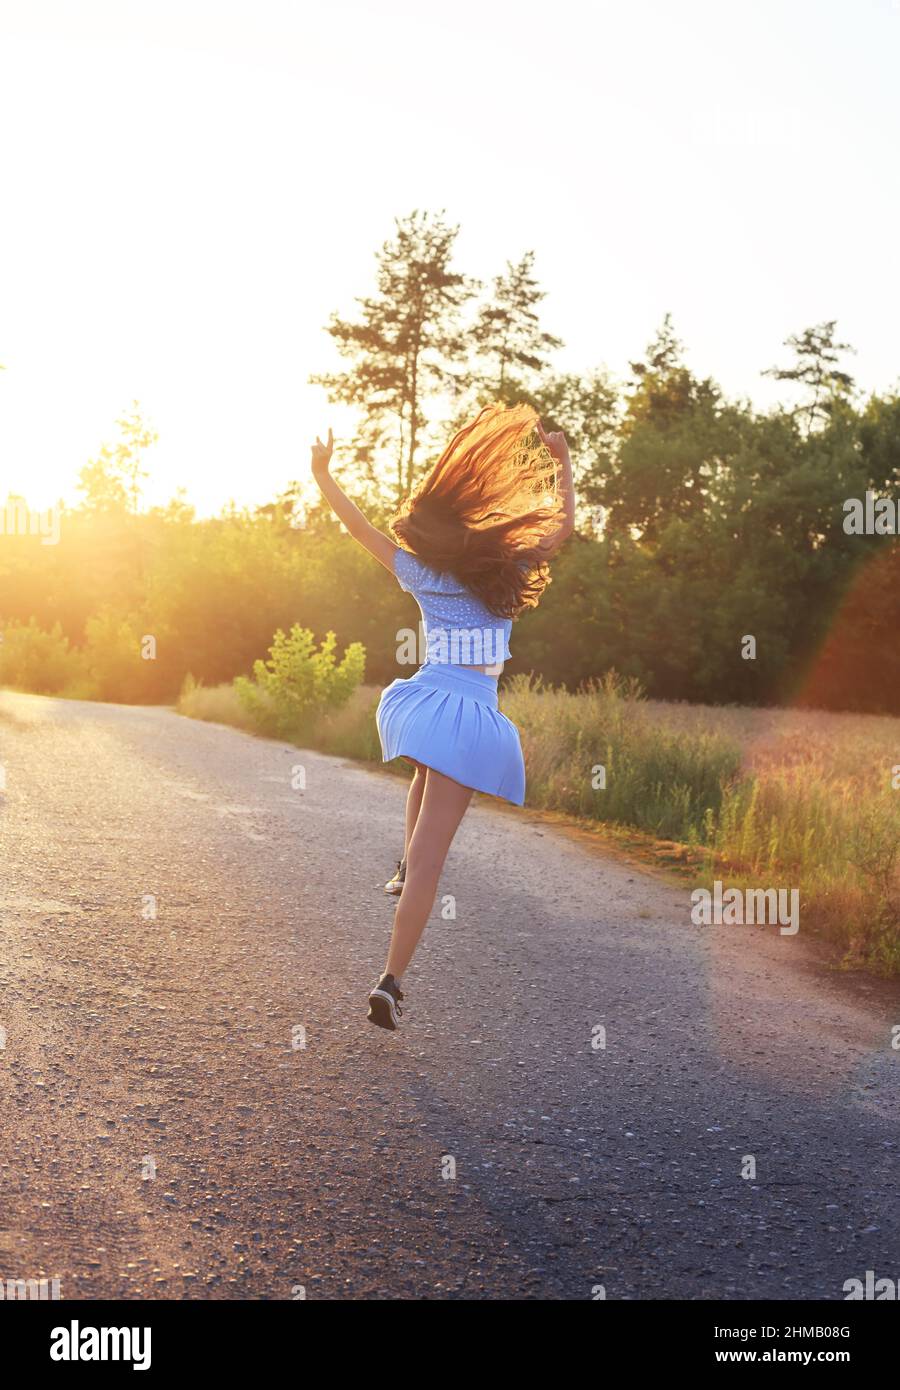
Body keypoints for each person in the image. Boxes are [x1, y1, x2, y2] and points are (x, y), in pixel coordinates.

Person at [310, 402, 575, 1029]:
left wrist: (324, 476)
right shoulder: (507, 570)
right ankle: (390, 980)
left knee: (423, 778)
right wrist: (563, 464)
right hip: (469, 714)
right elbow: (561, 528)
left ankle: (402, 868)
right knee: (433, 860)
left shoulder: (424, 574)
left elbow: (361, 532)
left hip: (425, 703)